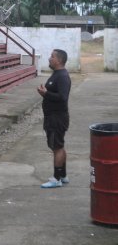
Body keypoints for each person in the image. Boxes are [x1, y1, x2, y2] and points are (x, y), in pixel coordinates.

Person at [38, 49, 71, 188]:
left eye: (52, 57)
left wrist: (46, 94)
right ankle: (63, 175)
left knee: (56, 147)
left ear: (59, 60)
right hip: (53, 116)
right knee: (59, 146)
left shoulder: (62, 76)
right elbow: (54, 94)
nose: (49, 59)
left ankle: (56, 179)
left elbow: (63, 98)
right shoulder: (56, 74)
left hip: (57, 118)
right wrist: (45, 93)